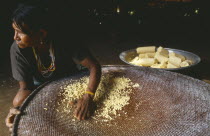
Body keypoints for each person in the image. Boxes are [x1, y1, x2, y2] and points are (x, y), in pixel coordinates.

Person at [5, 2, 101, 132]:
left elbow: (94, 67)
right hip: (41, 84)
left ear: (42, 34)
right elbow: (25, 87)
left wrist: (88, 96)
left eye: (20, 33)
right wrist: (17, 110)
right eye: (14, 31)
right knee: (17, 101)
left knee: (88, 105)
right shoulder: (17, 50)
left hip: (70, 77)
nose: (15, 37)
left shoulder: (64, 37)